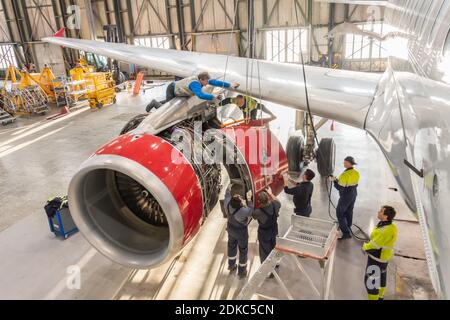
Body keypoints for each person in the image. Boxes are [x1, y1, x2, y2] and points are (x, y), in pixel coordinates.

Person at [146, 72, 240, 111]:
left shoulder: (202, 79)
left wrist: (230, 85)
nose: (207, 83)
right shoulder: (195, 84)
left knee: (168, 101)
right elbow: (200, 95)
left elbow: (215, 82)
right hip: (173, 89)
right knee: (168, 108)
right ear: (202, 79)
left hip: (177, 87)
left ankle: (157, 102)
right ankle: (154, 103)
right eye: (206, 81)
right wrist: (214, 97)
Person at [363, 206, 398, 300]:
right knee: (382, 277)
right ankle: (380, 297)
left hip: (376, 258)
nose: (378, 212)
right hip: (383, 258)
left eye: (381, 211)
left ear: (386, 216)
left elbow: (375, 245)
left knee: (371, 282)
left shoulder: (385, 230)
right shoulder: (390, 226)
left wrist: (364, 247)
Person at [223, 185, 253, 279]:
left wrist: (228, 188)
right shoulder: (243, 211)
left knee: (231, 246)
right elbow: (251, 210)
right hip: (241, 233)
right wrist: (248, 199)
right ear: (240, 204)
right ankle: (242, 270)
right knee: (243, 250)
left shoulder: (227, 204)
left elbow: (227, 195)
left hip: (231, 229)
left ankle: (231, 265)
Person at [330, 156, 360, 240]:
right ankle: (348, 225)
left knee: (340, 212)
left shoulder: (345, 174)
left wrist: (334, 181)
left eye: (344, 162)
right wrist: (337, 180)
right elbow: (352, 183)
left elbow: (340, 187)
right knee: (349, 211)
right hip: (353, 193)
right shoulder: (356, 173)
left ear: (348, 163)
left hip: (346, 196)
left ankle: (346, 233)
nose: (343, 163)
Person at [252, 188, 281, 265]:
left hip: (264, 233)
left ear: (259, 202)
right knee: (275, 246)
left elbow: (252, 215)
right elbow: (278, 201)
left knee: (264, 250)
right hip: (274, 230)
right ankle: (277, 262)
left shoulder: (258, 212)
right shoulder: (275, 205)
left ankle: (266, 268)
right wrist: (271, 193)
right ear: (268, 198)